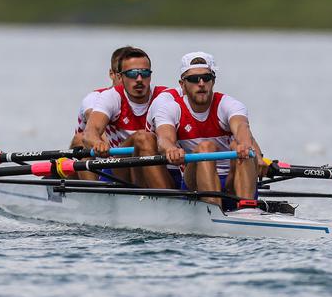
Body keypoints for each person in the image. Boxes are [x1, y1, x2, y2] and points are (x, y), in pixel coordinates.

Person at [149, 51, 262, 208]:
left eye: (206, 78)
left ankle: (246, 208)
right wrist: (170, 149)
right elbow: (164, 139)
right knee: (206, 147)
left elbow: (241, 126)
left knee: (240, 146)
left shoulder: (229, 104)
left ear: (213, 81)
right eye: (194, 79)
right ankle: (213, 210)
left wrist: (244, 144)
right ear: (182, 85)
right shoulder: (171, 109)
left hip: (232, 181)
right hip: (195, 183)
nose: (201, 83)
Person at [71, 47, 172, 186]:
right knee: (81, 141)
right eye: (132, 74)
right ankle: (95, 196)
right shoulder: (105, 97)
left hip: (154, 162)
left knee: (144, 139)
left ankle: (164, 200)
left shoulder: (164, 96)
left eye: (144, 73)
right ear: (119, 76)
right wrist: (97, 143)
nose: (139, 79)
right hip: (117, 165)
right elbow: (90, 132)